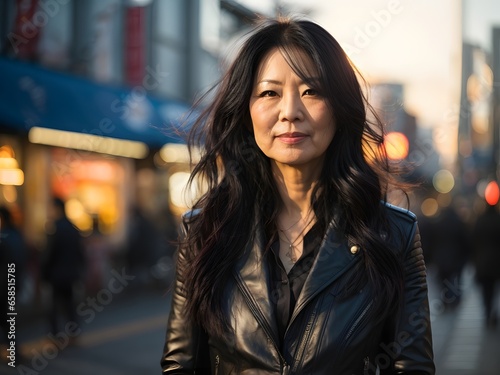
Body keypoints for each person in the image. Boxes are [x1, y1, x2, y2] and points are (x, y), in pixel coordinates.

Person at [161, 17, 434, 374]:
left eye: (312, 91)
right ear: (246, 113)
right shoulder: (204, 232)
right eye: (269, 93)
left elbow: (412, 366)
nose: (290, 112)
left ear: (340, 108)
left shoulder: (392, 235)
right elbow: (180, 366)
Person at [42, 197, 85, 339]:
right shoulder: (73, 228)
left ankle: (55, 334)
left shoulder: (55, 228)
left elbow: (49, 253)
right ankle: (73, 331)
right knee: (69, 304)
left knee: (54, 306)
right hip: (71, 273)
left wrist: (44, 273)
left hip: (56, 274)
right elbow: (80, 252)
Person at [0, 206, 27, 363]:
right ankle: (14, 353)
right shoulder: (16, 235)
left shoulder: (4, 237)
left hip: (5, 285)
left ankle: (13, 354)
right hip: (13, 283)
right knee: (9, 319)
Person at [472, 201, 500, 328]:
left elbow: (473, 241)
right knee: (495, 290)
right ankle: (493, 313)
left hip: (483, 262)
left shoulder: (480, 221)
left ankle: (488, 313)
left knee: (486, 291)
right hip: (496, 263)